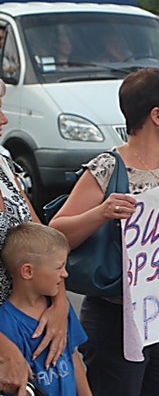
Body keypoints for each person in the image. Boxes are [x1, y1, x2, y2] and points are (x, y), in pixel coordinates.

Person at [48, 68, 159, 396]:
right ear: (157, 115)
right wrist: (101, 212)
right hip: (117, 315)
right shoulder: (108, 166)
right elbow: (55, 235)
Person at [0, 79, 69, 396]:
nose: (4, 119)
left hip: (28, 323)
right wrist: (5, 349)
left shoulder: (3, 163)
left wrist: (60, 303)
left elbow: (44, 239)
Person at [0, 222, 92, 396]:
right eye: (59, 267)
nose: (65, 274)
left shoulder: (60, 309)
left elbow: (72, 356)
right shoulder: (6, 324)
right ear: (28, 271)